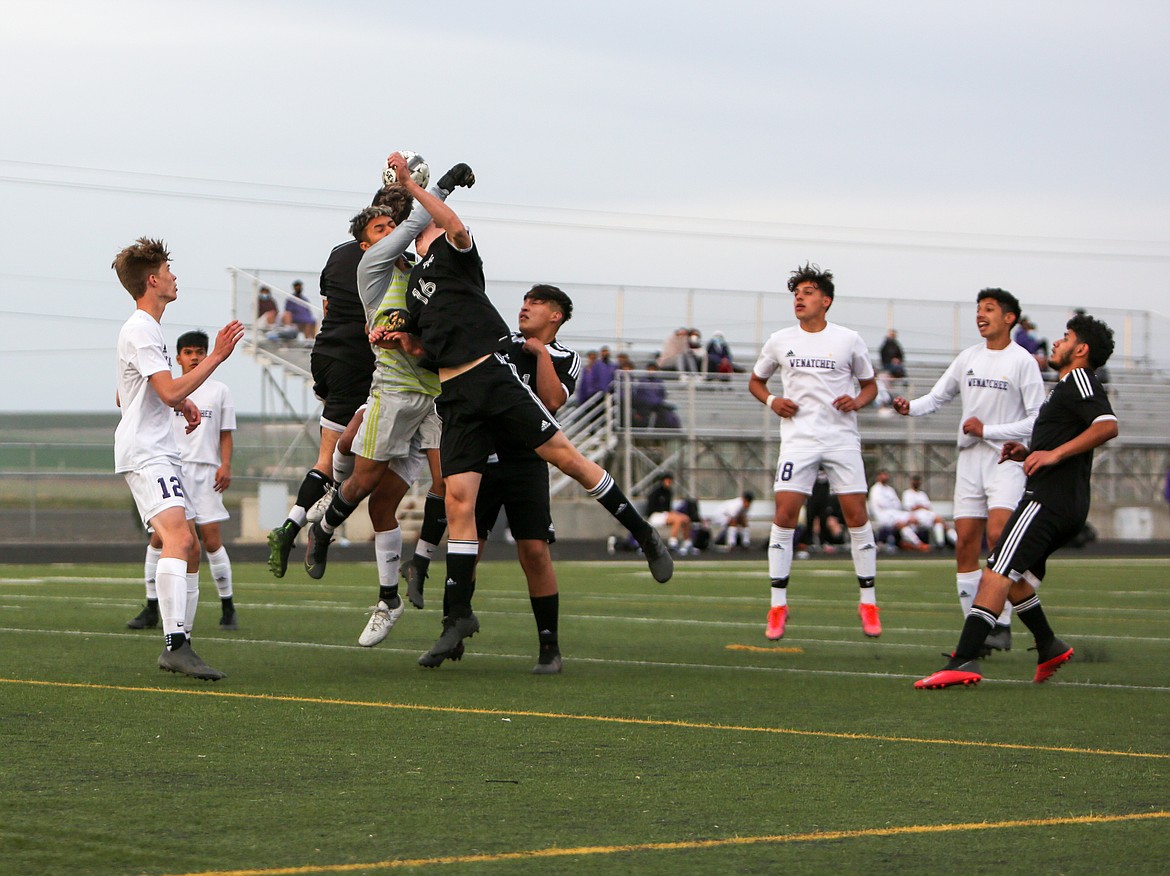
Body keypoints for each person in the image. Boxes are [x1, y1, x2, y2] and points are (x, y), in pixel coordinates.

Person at [382, 151, 672, 668]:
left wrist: (414, 184)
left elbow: (451, 220)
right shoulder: (417, 291)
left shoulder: (454, 251)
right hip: (457, 397)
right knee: (458, 503)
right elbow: (429, 352)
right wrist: (403, 339)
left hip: (491, 377)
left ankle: (642, 532)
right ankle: (456, 619)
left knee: (564, 457)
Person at [301, 166, 478, 653]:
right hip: (394, 392)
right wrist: (433, 183)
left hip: (436, 394)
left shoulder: (422, 266)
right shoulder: (374, 267)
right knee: (367, 490)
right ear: (367, 243)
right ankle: (328, 528)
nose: (392, 231)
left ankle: (418, 567)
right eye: (379, 228)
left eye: (392, 224)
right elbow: (412, 222)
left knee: (451, 488)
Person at [915, 313, 1118, 689]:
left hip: (1048, 500)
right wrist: (1028, 452)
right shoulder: (1065, 388)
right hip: (1061, 501)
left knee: (996, 569)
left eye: (1066, 336)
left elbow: (1107, 425)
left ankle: (962, 661)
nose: (1057, 342)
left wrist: (1053, 456)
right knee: (1016, 576)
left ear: (1081, 349)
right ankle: (1048, 644)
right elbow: (1064, 437)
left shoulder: (1080, 380)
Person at [111, 237, 243, 680]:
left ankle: (181, 640)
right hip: (147, 452)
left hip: (158, 448)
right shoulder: (141, 327)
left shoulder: (147, 329)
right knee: (181, 541)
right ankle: (175, 644)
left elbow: (126, 393)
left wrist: (177, 404)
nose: (173, 277)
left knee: (188, 549)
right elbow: (166, 388)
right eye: (168, 270)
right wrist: (217, 358)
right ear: (153, 280)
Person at [266, 185, 414, 578]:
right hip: (357, 359)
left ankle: (309, 521)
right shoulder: (395, 261)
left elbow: (328, 304)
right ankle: (296, 526)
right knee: (335, 461)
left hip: (325, 353)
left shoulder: (338, 253)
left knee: (338, 454)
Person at [893, 288, 1046, 651]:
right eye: (978, 310)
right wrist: (908, 407)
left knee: (998, 538)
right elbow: (937, 396)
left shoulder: (1022, 361)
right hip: (970, 462)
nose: (981, 315)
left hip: (1006, 462)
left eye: (989, 309)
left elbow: (1038, 420)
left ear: (1009, 318)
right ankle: (974, 636)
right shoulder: (968, 358)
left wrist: (987, 431)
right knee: (964, 543)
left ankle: (1002, 624)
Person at [748, 263, 881, 640]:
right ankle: (777, 606)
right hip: (798, 439)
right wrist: (774, 401)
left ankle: (868, 601)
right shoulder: (779, 339)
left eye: (807, 293)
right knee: (785, 514)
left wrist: (857, 401)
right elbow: (756, 381)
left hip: (840, 439)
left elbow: (870, 386)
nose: (799, 299)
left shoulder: (849, 339)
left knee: (856, 514)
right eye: (796, 293)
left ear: (826, 300)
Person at [474, 284, 581, 673]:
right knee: (469, 549)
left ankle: (549, 647)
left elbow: (552, 402)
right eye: (524, 302)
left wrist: (540, 356)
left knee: (534, 551)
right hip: (482, 458)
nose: (525, 308)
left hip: (526, 463)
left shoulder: (566, 356)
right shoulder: (502, 345)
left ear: (556, 315)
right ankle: (453, 626)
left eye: (536, 303)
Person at [128, 330, 240, 632]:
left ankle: (227, 605)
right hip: (172, 468)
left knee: (211, 539)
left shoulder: (219, 391)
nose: (194, 357)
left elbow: (225, 434)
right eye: (188, 352)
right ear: (177, 357)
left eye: (199, 352)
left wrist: (225, 464)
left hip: (205, 471)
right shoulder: (168, 388)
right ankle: (152, 605)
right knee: (163, 538)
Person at [867, 469, 929, 552]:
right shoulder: (875, 489)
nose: (885, 477)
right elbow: (882, 504)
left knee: (913, 518)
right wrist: (891, 505)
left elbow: (897, 504)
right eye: (882, 475)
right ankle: (918, 544)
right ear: (878, 477)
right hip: (883, 515)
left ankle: (908, 542)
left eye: (886, 475)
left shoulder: (890, 489)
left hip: (894, 513)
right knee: (901, 523)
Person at [644, 472, 693, 554]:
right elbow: (652, 508)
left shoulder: (669, 492)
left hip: (666, 514)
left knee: (686, 519)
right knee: (677, 520)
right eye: (667, 480)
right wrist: (667, 513)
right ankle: (672, 543)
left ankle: (687, 542)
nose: (669, 482)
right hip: (656, 515)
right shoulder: (655, 492)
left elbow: (668, 508)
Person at [901, 474, 954, 548]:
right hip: (915, 516)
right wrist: (920, 506)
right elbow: (909, 507)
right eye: (915, 480)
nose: (917, 482)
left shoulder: (922, 494)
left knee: (940, 522)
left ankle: (941, 543)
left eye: (918, 481)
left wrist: (919, 506)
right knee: (938, 520)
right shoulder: (907, 493)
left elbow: (928, 507)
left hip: (926, 515)